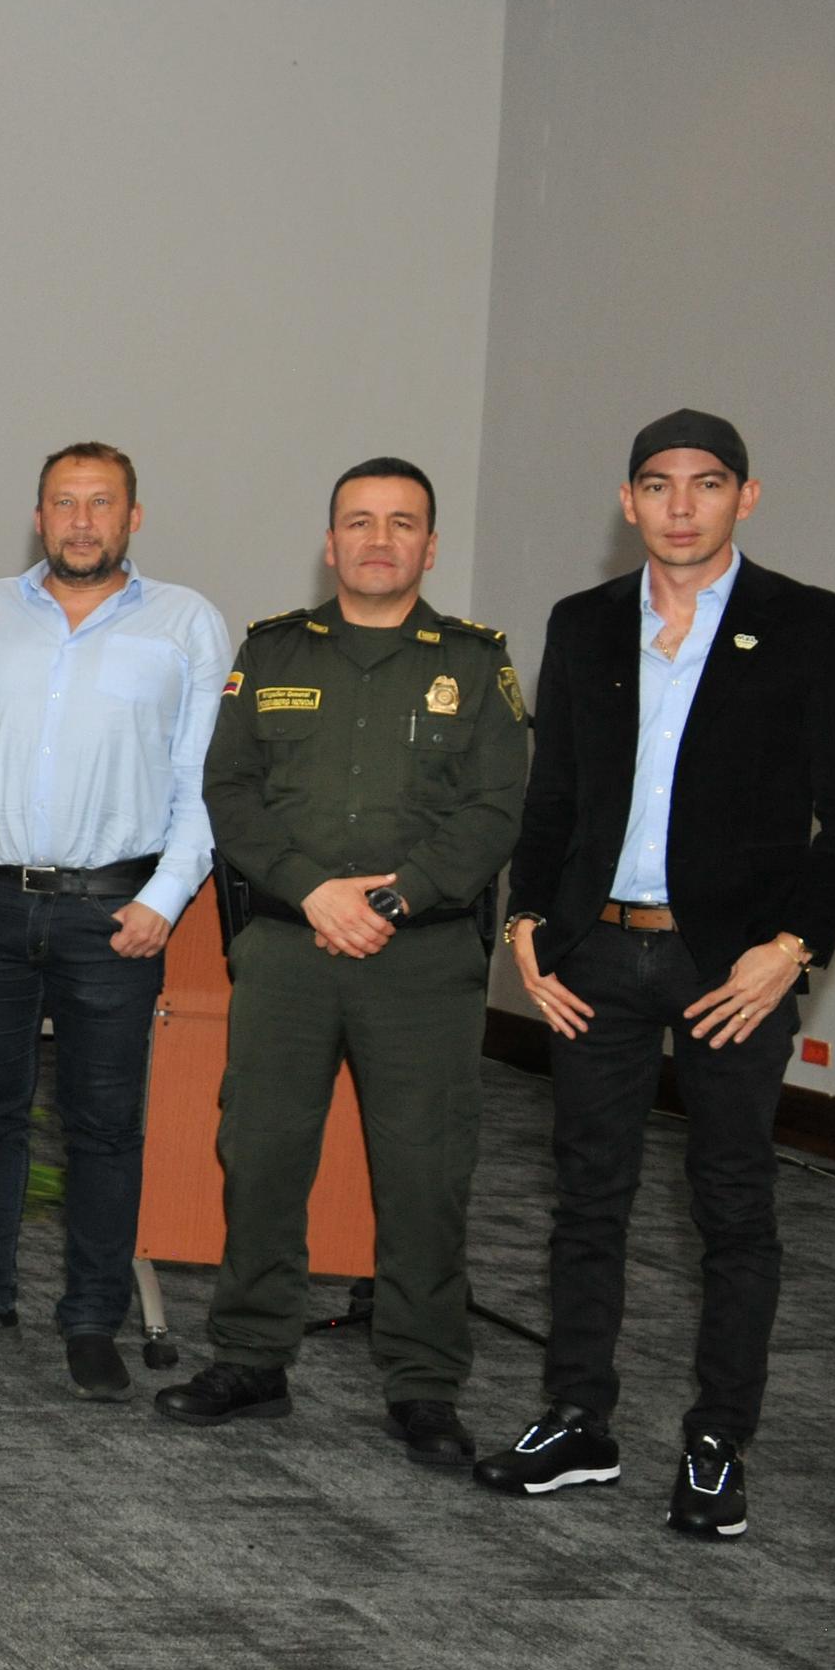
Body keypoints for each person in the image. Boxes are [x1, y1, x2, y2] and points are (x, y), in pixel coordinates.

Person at [484, 410, 835, 1541]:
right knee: (584, 1198)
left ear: (742, 499)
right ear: (626, 502)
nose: (678, 505)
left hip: (730, 969)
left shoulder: (805, 625)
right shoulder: (581, 624)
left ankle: (715, 1444)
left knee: (730, 1205)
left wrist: (787, 949)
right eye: (655, 484)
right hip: (596, 954)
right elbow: (550, 797)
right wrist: (527, 923)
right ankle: (576, 1420)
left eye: (704, 484)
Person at [153, 460, 528, 1462]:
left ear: (428, 547)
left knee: (423, 1172)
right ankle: (248, 1359)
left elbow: (496, 808)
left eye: (400, 523)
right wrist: (315, 888)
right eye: (357, 522)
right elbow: (227, 790)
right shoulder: (272, 651)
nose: (377, 538)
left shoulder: (474, 662)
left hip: (422, 958)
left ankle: (421, 1385)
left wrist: (394, 895)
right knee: (262, 1154)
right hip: (286, 945)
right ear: (328, 543)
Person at [0, 442, 227, 1395]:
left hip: (113, 916)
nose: (81, 521)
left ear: (134, 517)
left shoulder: (186, 623)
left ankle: (90, 1317)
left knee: (105, 1125)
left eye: (101, 503)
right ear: (38, 516)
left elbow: (203, 787)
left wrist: (162, 901)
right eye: (63, 503)